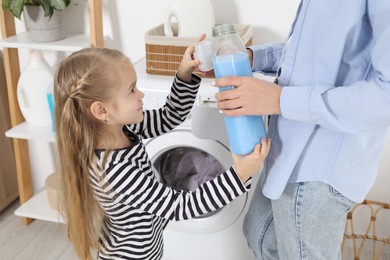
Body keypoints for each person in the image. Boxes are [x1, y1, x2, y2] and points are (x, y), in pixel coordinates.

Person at [54, 42, 271, 260]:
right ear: (101, 110)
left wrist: (184, 74)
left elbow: (170, 116)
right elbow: (182, 206)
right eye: (131, 90)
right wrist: (241, 173)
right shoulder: (114, 171)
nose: (140, 95)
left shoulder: (125, 127)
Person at [212, 1, 390, 259]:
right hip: (288, 149)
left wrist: (279, 100)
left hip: (320, 164)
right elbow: (312, 54)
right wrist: (250, 57)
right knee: (259, 237)